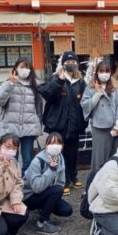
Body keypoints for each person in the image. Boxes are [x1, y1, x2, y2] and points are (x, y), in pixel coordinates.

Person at [38, 51, 87, 195]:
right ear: (63, 63)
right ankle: (62, 180)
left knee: (73, 153)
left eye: (73, 62)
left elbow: (84, 101)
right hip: (58, 124)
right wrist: (59, 81)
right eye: (67, 62)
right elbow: (48, 95)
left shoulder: (80, 81)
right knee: (59, 153)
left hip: (74, 124)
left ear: (77, 64)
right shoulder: (55, 78)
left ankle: (73, 176)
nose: (70, 64)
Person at [0, 57, 43, 175]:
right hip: (10, 128)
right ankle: (11, 184)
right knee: (10, 159)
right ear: (15, 69)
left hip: (29, 129)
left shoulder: (36, 86)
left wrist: (37, 126)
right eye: (22, 67)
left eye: (27, 67)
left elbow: (39, 108)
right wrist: (9, 84)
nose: (24, 70)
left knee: (28, 160)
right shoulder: (9, 83)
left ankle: (25, 185)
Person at [81, 61, 118, 173]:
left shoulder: (116, 86)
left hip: (114, 127)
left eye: (107, 71)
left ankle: (112, 181)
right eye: (101, 71)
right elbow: (84, 104)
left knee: (114, 157)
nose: (104, 74)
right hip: (99, 127)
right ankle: (93, 185)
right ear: (97, 72)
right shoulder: (91, 86)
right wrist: (97, 94)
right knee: (99, 159)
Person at [23, 133, 72, 234]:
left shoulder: (60, 158)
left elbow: (61, 182)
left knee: (67, 210)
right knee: (58, 190)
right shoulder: (37, 161)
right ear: (46, 145)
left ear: (62, 146)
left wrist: (52, 193)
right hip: (29, 197)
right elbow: (36, 188)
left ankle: (43, 207)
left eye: (59, 143)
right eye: (52, 142)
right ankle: (41, 223)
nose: (55, 145)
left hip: (46, 192)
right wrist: (51, 170)